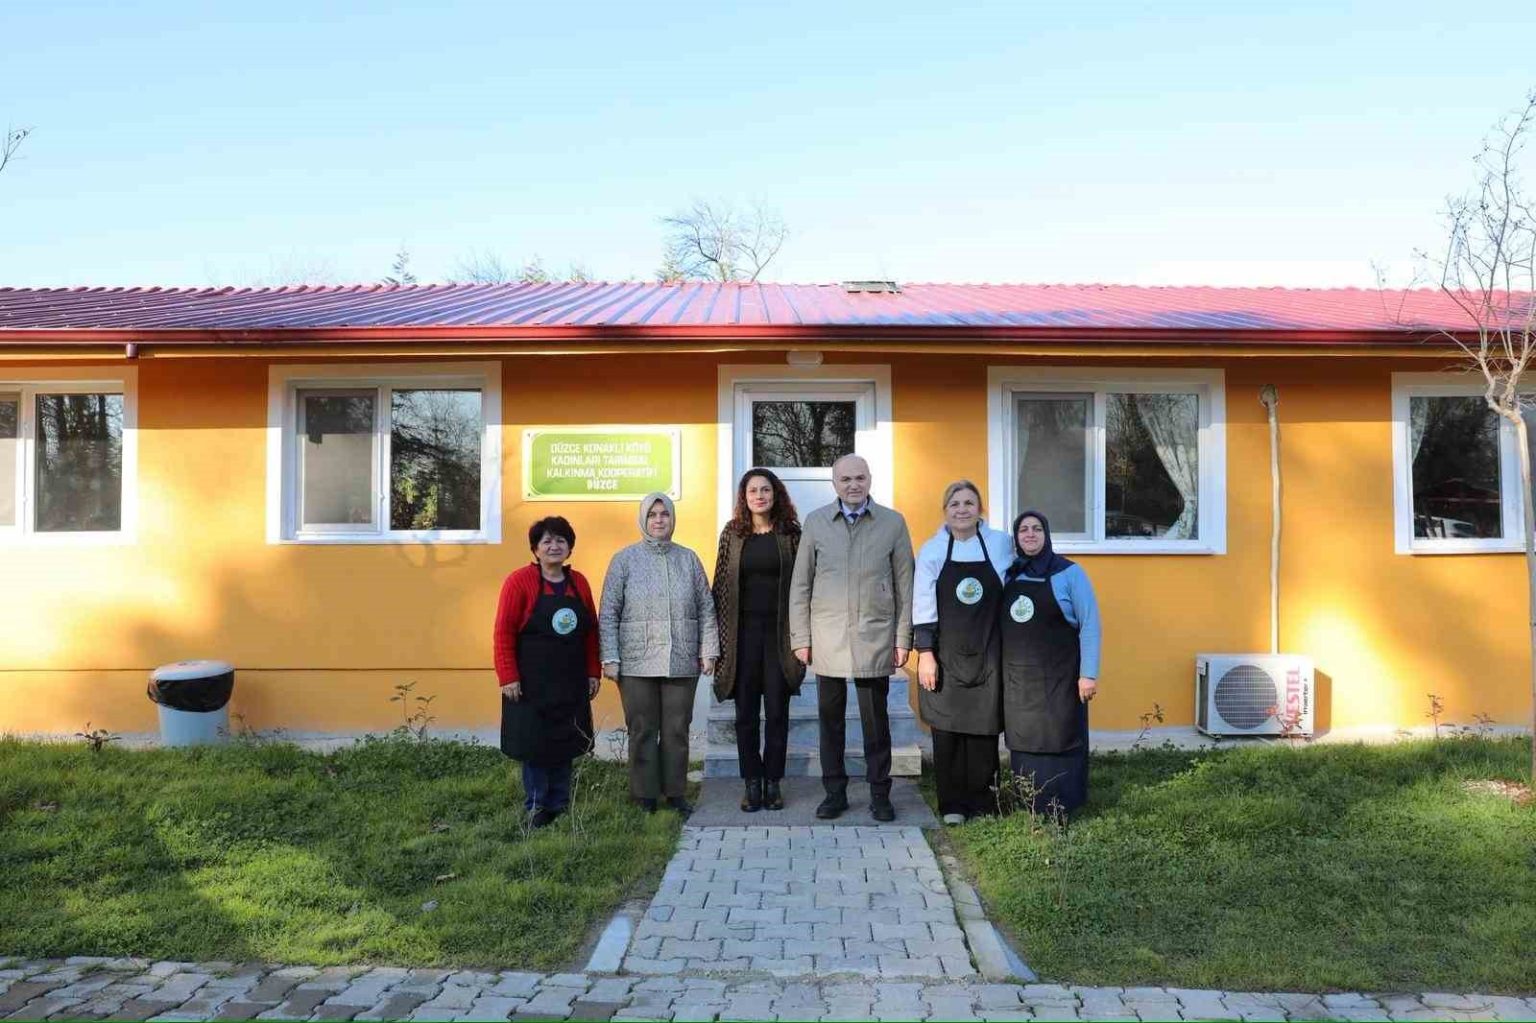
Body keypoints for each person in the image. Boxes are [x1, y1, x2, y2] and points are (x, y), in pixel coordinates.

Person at [790, 453, 915, 822]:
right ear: (834, 484)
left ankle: (880, 794)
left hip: (874, 636)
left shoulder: (893, 523)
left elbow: (905, 585)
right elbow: (801, 584)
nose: (853, 485)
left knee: (876, 723)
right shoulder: (816, 523)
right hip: (827, 637)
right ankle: (834, 793)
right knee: (830, 723)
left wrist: (903, 638)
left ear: (870, 480)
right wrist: (801, 637)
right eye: (845, 479)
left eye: (859, 478)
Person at [600, 492, 719, 816]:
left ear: (672, 518)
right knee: (642, 729)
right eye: (652, 515)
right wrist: (610, 657)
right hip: (636, 662)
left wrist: (708, 650)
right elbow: (608, 612)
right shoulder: (624, 560)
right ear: (643, 519)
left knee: (676, 729)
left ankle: (675, 793)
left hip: (681, 659)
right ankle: (644, 796)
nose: (658, 520)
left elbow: (706, 609)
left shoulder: (688, 559)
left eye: (664, 514)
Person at [914, 481, 1012, 826]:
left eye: (969, 503)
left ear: (980, 508)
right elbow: (923, 603)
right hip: (946, 655)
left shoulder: (1001, 544)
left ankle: (983, 803)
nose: (962, 509)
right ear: (945, 510)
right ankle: (952, 805)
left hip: (989, 651)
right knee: (947, 730)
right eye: (955, 504)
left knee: (983, 730)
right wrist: (925, 653)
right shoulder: (932, 550)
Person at [493, 516, 601, 828]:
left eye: (561, 541)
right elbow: (503, 632)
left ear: (569, 547)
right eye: (547, 541)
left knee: (565, 741)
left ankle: (560, 803)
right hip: (530, 683)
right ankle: (537, 806)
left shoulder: (579, 583)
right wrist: (508, 676)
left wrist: (593, 671)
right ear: (535, 548)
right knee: (535, 744)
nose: (554, 546)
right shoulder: (519, 582)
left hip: (570, 680)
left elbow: (591, 632)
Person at [711, 468, 806, 813]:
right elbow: (720, 585)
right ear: (744, 497)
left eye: (765, 489)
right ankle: (752, 782)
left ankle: (773, 782)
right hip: (742, 638)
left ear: (775, 494)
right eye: (753, 491)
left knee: (778, 713)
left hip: (781, 637)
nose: (759, 496)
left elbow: (805, 585)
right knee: (746, 714)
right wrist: (716, 642)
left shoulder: (791, 533)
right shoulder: (732, 534)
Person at [999, 509, 1102, 816]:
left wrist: (1088, 675)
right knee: (1025, 738)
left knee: (1060, 737)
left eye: (1037, 528)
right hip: (1019, 681)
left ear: (1046, 535)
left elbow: (1090, 625)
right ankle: (1028, 801)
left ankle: (1064, 803)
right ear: (1016, 538)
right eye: (1023, 530)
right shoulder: (1010, 574)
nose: (1030, 534)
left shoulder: (1070, 573)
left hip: (1061, 679)